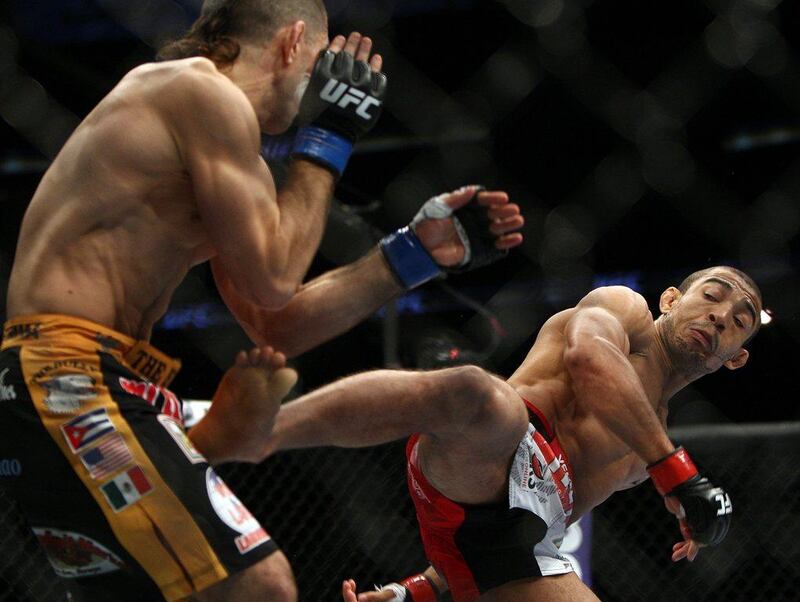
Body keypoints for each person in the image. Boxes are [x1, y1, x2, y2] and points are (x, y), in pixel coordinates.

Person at [0, 0, 525, 598]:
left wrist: (414, 255)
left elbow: (279, 321)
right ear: (292, 42)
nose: (317, 86)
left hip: (92, 384)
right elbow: (277, 276)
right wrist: (331, 135)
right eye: (319, 61)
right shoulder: (197, 93)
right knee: (262, 585)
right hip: (69, 380)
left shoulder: (220, 146)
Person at [256, 266, 761, 601]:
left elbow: (526, 535)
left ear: (736, 358)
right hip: (493, 444)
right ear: (671, 299)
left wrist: (417, 590)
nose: (718, 316)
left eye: (737, 322)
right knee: (481, 392)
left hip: (516, 534)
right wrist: (677, 474)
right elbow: (587, 358)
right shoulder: (624, 311)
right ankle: (266, 427)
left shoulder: (639, 454)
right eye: (710, 297)